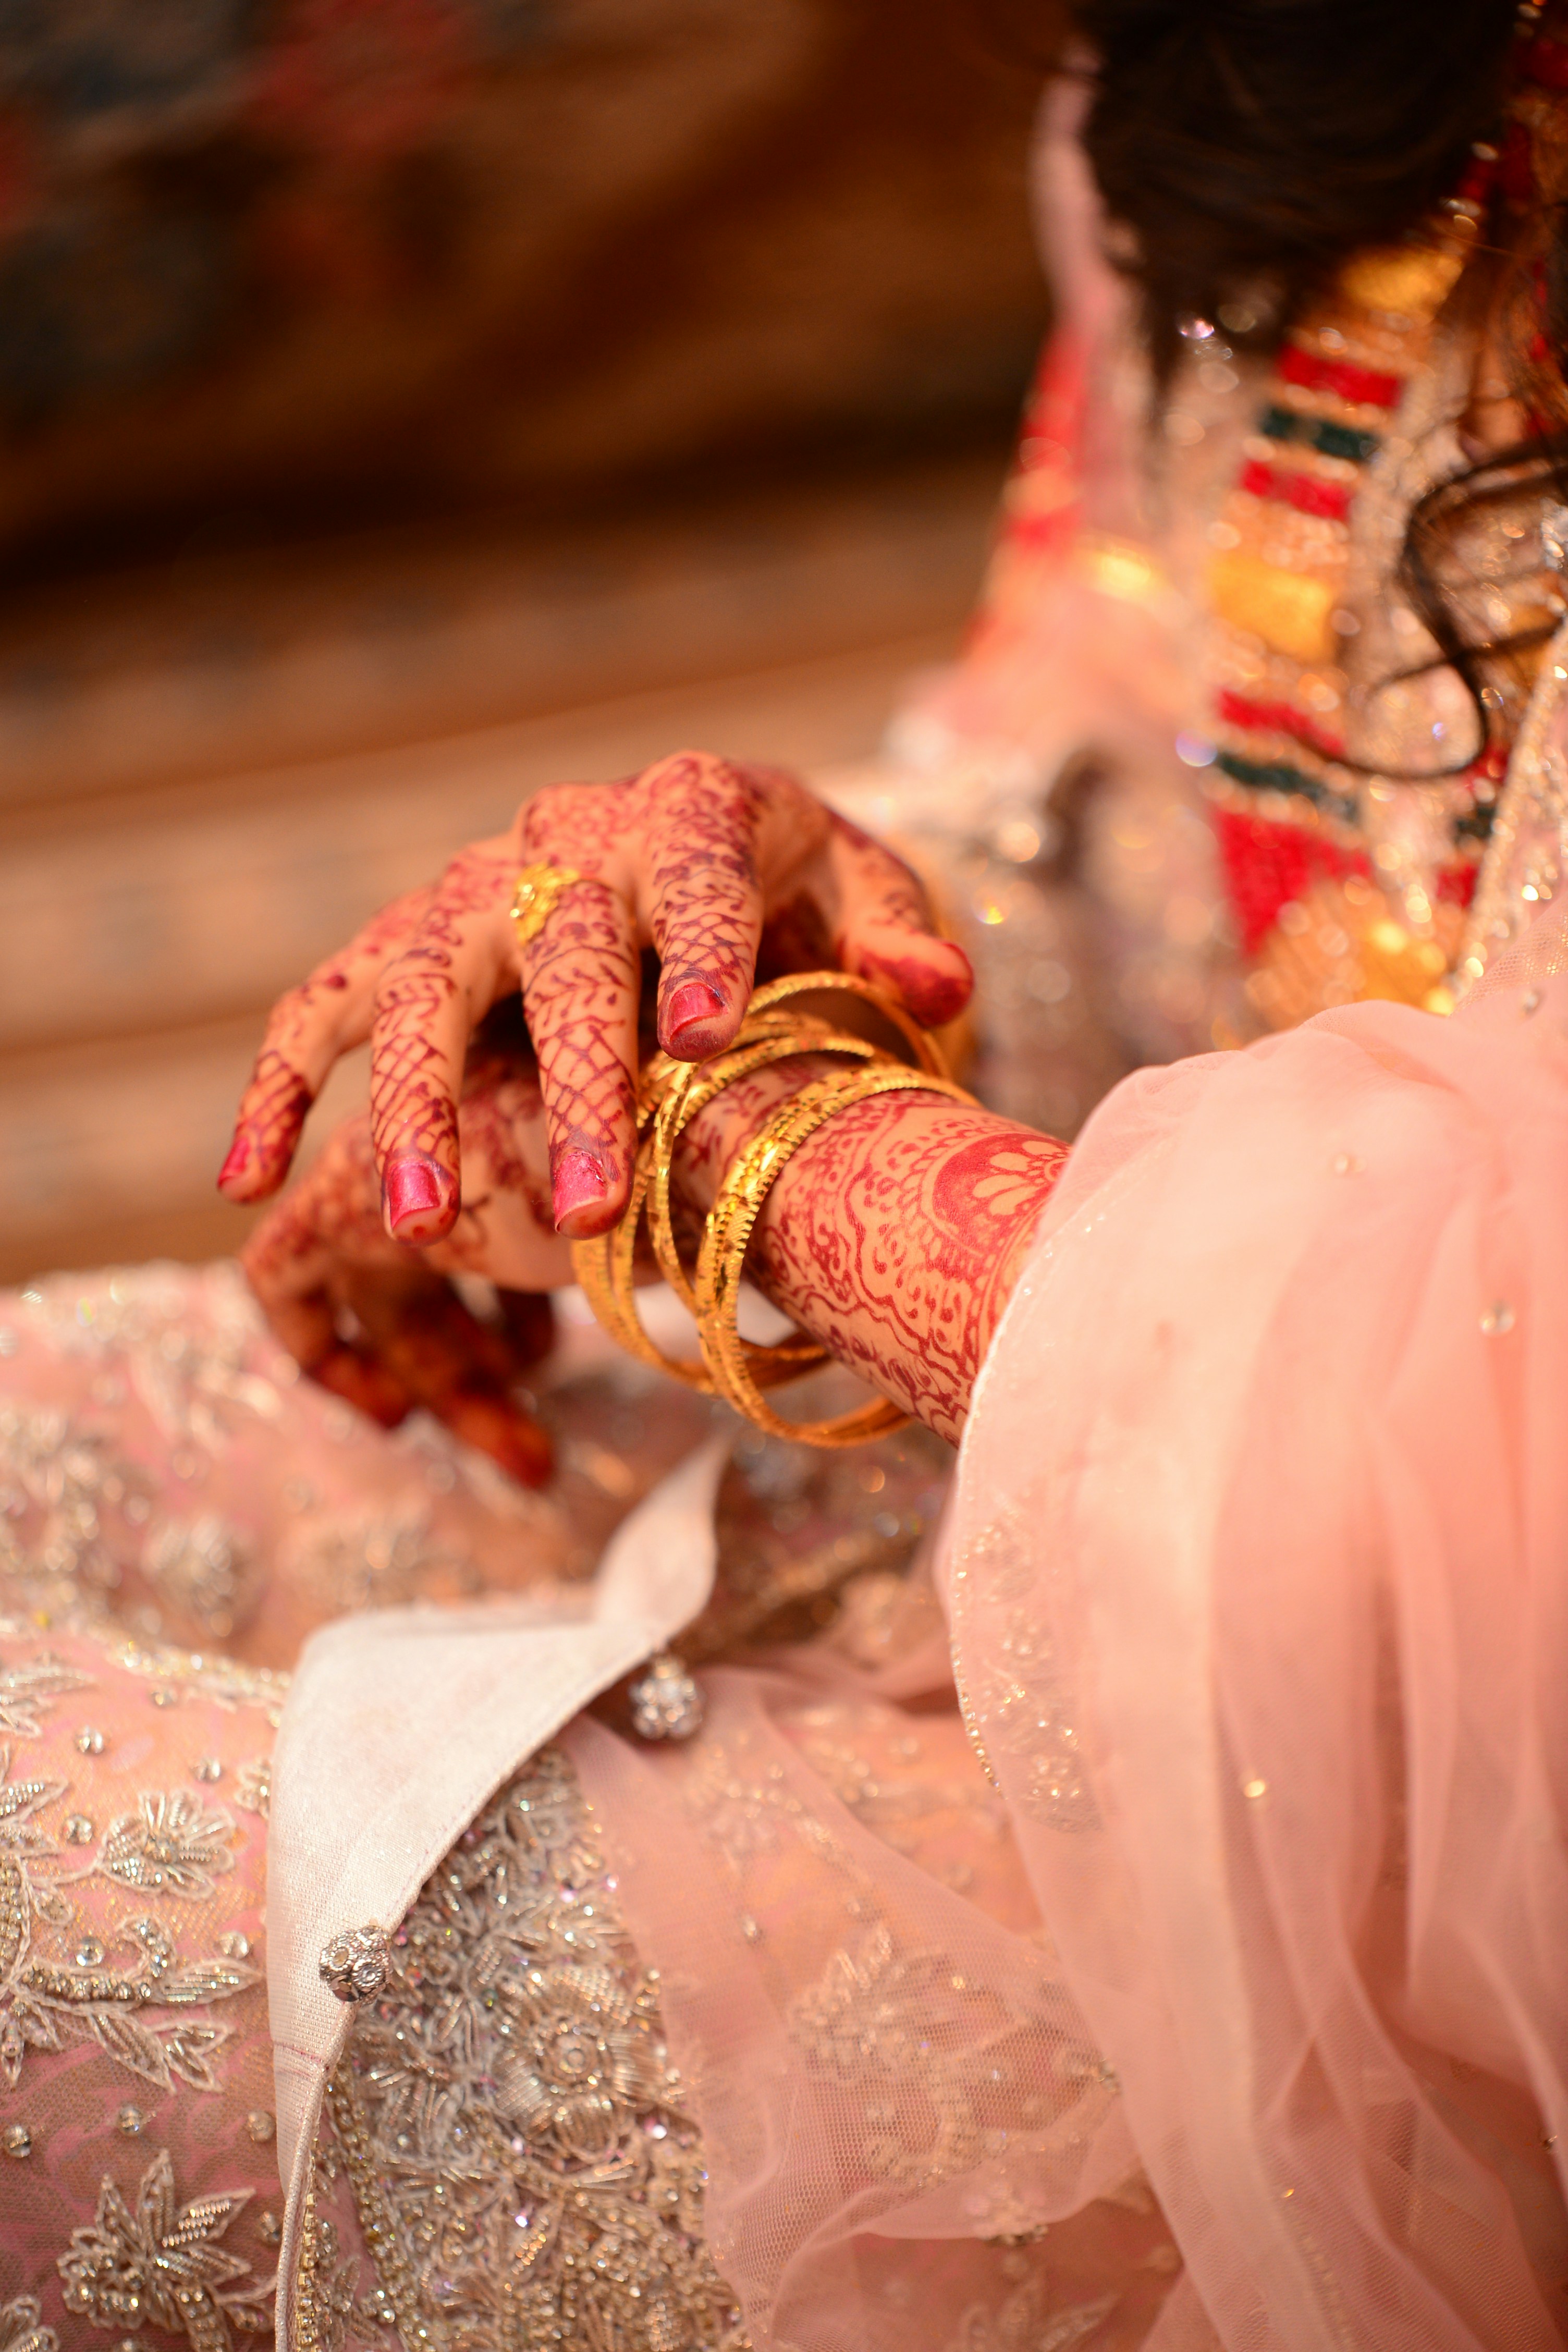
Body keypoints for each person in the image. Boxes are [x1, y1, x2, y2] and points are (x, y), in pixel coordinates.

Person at [4, 1, 1568, 2345]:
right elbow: (1183, 805)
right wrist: (751, 956)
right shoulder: (1268, 58)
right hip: (1086, 1495)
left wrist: (783, 1166)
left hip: (1397, 1901)